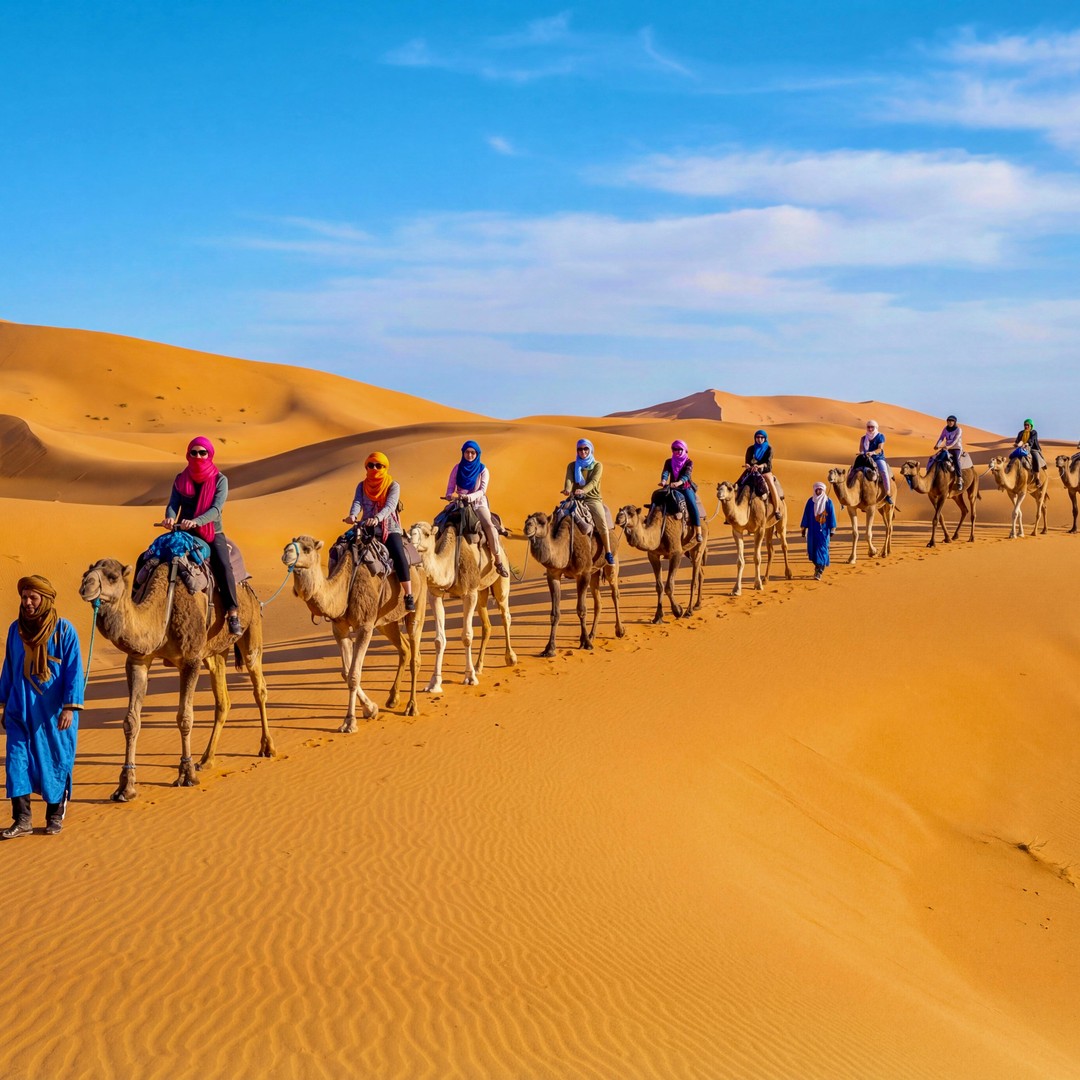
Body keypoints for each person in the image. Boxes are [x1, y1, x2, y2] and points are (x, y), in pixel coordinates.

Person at [0, 576, 84, 838]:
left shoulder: (64, 630)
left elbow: (73, 671)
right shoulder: (16, 630)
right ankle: (22, 819)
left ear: (45, 600)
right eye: (24, 597)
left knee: (55, 761)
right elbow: (9, 668)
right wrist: (3, 703)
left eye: (32, 598)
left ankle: (54, 815)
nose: (27, 603)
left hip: (54, 714)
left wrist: (70, 708)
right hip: (19, 709)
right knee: (16, 761)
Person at [157, 436, 242, 636]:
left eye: (202, 452)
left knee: (223, 564)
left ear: (209, 454)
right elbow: (173, 504)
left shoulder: (220, 480)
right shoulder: (181, 479)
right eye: (194, 452)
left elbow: (216, 509)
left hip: (211, 532)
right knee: (150, 558)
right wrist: (169, 518)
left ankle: (232, 612)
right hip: (183, 531)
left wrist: (197, 521)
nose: (198, 456)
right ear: (188, 454)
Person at [345, 451, 417, 612]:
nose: (374, 468)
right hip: (366, 526)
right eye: (371, 465)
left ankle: (409, 594)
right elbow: (357, 502)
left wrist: (378, 518)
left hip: (389, 528)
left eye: (379, 465)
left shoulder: (393, 485)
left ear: (385, 467)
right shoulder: (361, 485)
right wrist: (352, 515)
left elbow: (390, 505)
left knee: (399, 554)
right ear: (366, 466)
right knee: (342, 547)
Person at [444, 440, 508, 577]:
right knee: (439, 522)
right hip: (459, 503)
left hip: (478, 504)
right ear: (463, 453)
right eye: (467, 452)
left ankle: (498, 561)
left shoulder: (483, 470)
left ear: (477, 454)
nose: (470, 455)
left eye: (473, 452)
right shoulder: (457, 468)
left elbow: (482, 490)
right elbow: (450, 488)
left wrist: (469, 497)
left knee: (489, 526)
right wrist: (450, 496)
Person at [562, 438, 615, 564]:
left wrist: (583, 490)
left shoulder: (597, 465)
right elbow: (569, 479)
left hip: (592, 499)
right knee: (559, 516)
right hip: (575, 498)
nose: (583, 451)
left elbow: (594, 482)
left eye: (586, 448)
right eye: (580, 449)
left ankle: (608, 552)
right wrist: (567, 489)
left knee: (601, 522)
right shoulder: (572, 465)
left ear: (590, 449)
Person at [660, 439, 703, 543]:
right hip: (671, 487)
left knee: (692, 505)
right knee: (657, 500)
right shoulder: (669, 461)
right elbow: (665, 472)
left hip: (685, 487)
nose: (678, 451)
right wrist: (663, 480)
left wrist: (679, 482)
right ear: (672, 450)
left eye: (680, 449)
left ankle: (698, 531)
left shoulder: (689, 462)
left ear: (685, 450)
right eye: (675, 449)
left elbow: (687, 475)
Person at [800, 483, 837, 581]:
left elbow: (832, 515)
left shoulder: (828, 502)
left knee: (822, 550)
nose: (818, 491)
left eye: (820, 489)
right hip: (812, 531)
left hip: (823, 532)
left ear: (823, 490)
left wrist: (832, 528)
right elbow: (806, 515)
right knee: (812, 551)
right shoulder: (810, 502)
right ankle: (817, 566)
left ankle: (819, 571)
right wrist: (803, 528)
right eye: (817, 489)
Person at [745, 430, 782, 519]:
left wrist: (759, 466)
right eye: (758, 437)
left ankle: (777, 509)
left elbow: (768, 464)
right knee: (738, 484)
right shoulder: (751, 449)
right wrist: (748, 465)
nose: (760, 439)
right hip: (752, 471)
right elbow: (747, 461)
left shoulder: (769, 449)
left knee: (770, 483)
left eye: (762, 437)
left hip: (765, 472)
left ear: (765, 438)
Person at [859, 420, 892, 504]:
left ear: (876, 427)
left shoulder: (880, 436)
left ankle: (888, 494)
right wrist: (862, 452)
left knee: (884, 472)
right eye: (868, 427)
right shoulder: (863, 438)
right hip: (866, 458)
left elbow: (880, 449)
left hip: (878, 457)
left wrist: (872, 452)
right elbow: (861, 448)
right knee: (853, 469)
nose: (870, 429)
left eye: (872, 427)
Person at [933, 415, 965, 491]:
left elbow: (956, 440)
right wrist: (937, 445)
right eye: (949, 421)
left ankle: (959, 479)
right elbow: (941, 438)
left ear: (955, 422)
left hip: (957, 448)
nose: (950, 422)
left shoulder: (958, 430)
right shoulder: (945, 429)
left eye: (952, 421)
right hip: (947, 448)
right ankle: (934, 475)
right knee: (937, 458)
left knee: (956, 461)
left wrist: (949, 446)